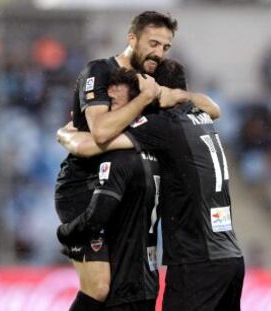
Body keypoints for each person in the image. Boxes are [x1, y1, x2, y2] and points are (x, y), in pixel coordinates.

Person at [54, 10, 220, 311]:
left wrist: (174, 94)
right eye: (153, 43)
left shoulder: (151, 80)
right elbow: (101, 132)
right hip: (85, 186)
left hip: (128, 188)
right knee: (100, 286)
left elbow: (213, 108)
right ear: (132, 38)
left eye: (165, 47)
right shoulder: (99, 71)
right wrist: (146, 99)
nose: (159, 53)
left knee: (128, 287)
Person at [58, 69, 161, 310]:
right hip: (80, 196)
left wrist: (64, 133)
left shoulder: (128, 144)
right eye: (106, 103)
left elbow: (79, 141)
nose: (107, 112)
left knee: (103, 286)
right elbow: (82, 141)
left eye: (115, 104)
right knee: (98, 288)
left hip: (129, 278)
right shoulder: (142, 141)